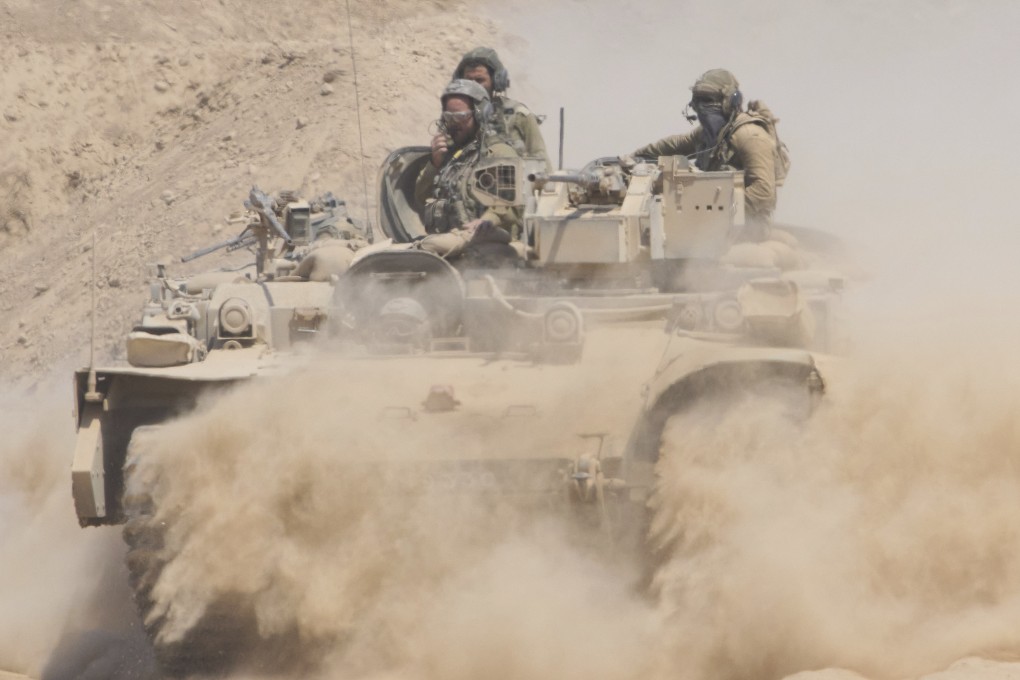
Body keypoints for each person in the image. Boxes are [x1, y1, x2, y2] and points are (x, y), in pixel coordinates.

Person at [625, 69, 777, 238]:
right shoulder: (709, 135)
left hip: (746, 229)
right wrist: (631, 159)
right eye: (698, 100)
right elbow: (672, 146)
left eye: (709, 100)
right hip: (706, 226)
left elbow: (764, 192)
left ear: (730, 102)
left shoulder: (750, 136)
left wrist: (717, 213)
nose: (702, 108)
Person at [414, 79, 525, 260]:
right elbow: (420, 197)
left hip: (488, 244)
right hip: (449, 244)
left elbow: (507, 204)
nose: (453, 123)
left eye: (460, 117)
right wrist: (434, 164)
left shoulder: (497, 152)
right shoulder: (450, 155)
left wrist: (488, 220)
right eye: (449, 117)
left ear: (480, 115)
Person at [453, 46, 551, 170]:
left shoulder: (519, 116)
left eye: (480, 80)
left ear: (496, 82)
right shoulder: (454, 118)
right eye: (468, 80)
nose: (473, 86)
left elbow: (542, 166)